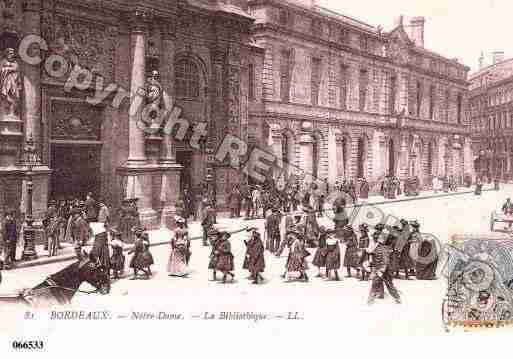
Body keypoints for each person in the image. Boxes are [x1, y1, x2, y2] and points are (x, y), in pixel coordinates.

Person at [367, 230, 401, 305]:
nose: (374, 239)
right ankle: (397, 298)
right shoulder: (378, 246)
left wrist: (380, 271)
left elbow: (385, 261)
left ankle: (370, 302)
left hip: (383, 270)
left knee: (379, 285)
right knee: (387, 285)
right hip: (381, 270)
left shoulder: (382, 248)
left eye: (375, 237)